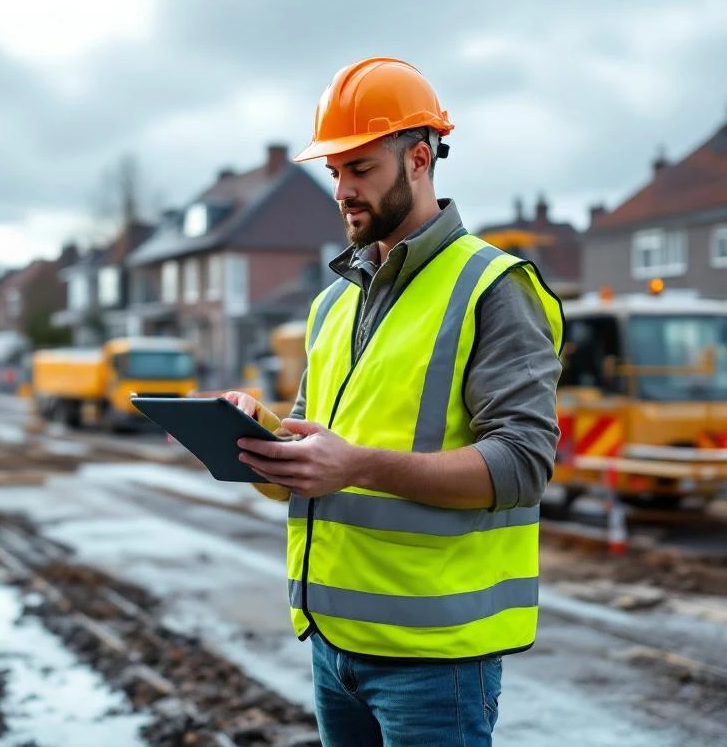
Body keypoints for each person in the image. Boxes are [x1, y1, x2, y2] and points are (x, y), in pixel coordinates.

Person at [223, 57, 564, 747]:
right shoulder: (331, 305)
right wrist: (260, 440)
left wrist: (357, 466)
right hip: (332, 647)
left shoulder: (492, 287)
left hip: (434, 663)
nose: (343, 190)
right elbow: (318, 463)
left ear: (417, 158)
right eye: (335, 173)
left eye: (360, 169)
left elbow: (523, 466)